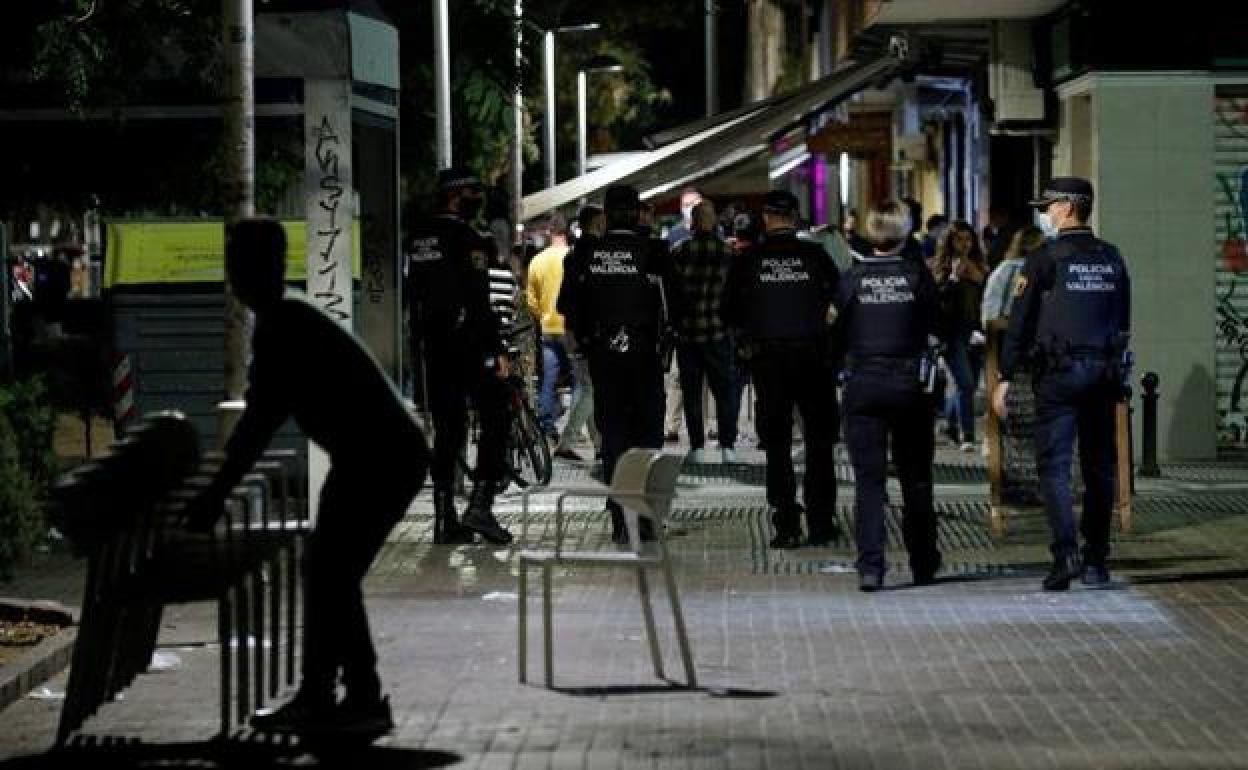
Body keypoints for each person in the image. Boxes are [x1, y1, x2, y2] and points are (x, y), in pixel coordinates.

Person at [185, 218, 424, 738]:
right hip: (373, 454)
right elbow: (259, 421)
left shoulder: (284, 326)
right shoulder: (285, 317)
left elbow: (256, 425)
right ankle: (340, 695)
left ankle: (346, 696)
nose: (233, 276)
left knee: (330, 572)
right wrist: (218, 490)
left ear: (260, 267)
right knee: (329, 571)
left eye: (237, 264)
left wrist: (215, 496)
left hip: (379, 457)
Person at [994, 177, 1131, 591]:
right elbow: (1124, 321)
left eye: (1049, 206)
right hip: (1103, 374)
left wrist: (1004, 376)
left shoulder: (1043, 259)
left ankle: (1065, 554)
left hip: (1057, 376)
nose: (1045, 214)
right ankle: (1096, 560)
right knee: (1099, 469)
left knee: (1053, 469)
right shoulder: (1112, 257)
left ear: (1069, 207)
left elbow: (1019, 322)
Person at [723, 190, 841, 549]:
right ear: (795, 216)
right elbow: (840, 301)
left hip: (768, 361)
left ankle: (786, 524)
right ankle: (821, 522)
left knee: (777, 445)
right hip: (814, 358)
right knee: (820, 443)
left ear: (765, 217)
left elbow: (728, 311)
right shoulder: (816, 255)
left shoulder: (748, 260)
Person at [836, 201, 942, 591]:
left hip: (863, 385)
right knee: (916, 479)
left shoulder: (852, 279)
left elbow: (833, 332)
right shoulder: (917, 277)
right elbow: (937, 326)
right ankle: (924, 561)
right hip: (909, 386)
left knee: (869, 482)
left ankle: (870, 566)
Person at [405, 167, 514, 546]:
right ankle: (480, 505)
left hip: (432, 349)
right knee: (498, 413)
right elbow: (478, 303)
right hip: (467, 346)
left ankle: (443, 518)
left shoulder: (417, 239)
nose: (476, 199)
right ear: (457, 196)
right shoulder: (468, 239)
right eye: (472, 192)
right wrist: (497, 350)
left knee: (448, 431)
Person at [558, 185, 667, 543]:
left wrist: (587, 341)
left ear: (607, 215)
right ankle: (645, 514)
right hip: (646, 354)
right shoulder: (654, 251)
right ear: (636, 213)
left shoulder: (585, 255)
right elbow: (677, 305)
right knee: (647, 433)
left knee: (614, 433)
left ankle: (622, 514)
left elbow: (567, 307)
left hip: (604, 355)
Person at [670, 199, 741, 464]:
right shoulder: (727, 253)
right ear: (714, 222)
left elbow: (673, 294)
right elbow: (733, 295)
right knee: (725, 390)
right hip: (717, 331)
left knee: (691, 392)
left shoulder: (680, 251)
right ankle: (727, 445)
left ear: (693, 222)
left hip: (688, 333)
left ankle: (697, 447)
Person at [553, 204, 605, 463]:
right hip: (589, 332)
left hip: (574, 329)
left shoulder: (573, 255)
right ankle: (567, 442)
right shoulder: (597, 253)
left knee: (588, 386)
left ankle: (600, 445)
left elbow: (563, 301)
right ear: (595, 223)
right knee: (591, 389)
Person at [932, 221, 988, 452]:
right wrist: (954, 279)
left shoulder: (980, 266)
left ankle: (950, 423)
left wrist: (981, 280)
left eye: (968, 239)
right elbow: (938, 301)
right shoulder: (941, 268)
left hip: (975, 332)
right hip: (952, 333)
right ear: (950, 242)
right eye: (959, 240)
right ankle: (967, 435)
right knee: (964, 383)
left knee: (970, 384)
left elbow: (989, 298)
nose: (964, 245)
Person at [526, 212, 573, 442]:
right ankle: (574, 427)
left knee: (549, 380)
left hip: (547, 328)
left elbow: (530, 300)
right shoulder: (573, 257)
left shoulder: (537, 261)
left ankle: (546, 424)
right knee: (578, 381)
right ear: (568, 232)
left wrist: (542, 316)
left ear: (549, 232)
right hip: (570, 328)